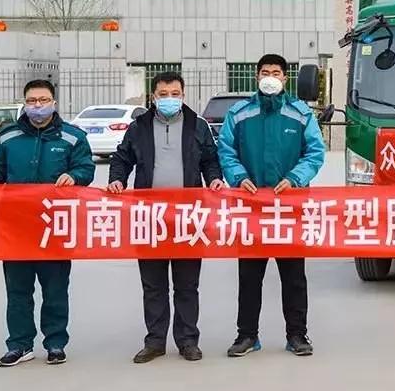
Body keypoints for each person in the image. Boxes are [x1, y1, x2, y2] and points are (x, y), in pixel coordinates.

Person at [0, 79, 95, 367]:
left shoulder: (72, 137)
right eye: (32, 101)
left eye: (43, 100)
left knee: (55, 289)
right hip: (15, 227)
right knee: (18, 290)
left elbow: (86, 168)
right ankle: (20, 345)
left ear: (54, 103)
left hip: (54, 226)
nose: (37, 106)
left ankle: (55, 343)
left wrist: (75, 176)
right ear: (25, 103)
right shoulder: (9, 136)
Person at [108, 71, 225, 364]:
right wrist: (117, 179)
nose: (169, 99)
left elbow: (210, 159)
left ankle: (188, 341)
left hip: (188, 217)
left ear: (183, 95)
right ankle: (155, 341)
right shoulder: (139, 127)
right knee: (153, 284)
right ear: (153, 96)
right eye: (163, 94)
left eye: (175, 94)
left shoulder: (198, 126)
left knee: (187, 284)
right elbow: (122, 158)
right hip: (149, 217)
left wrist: (214, 179)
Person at [218, 54, 325, 358]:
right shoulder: (239, 113)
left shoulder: (300, 114)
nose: (270, 77)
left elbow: (315, 152)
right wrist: (238, 177)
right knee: (249, 276)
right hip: (251, 209)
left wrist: (295, 178)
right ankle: (247, 335)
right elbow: (225, 150)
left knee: (294, 277)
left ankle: (297, 335)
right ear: (257, 76)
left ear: (285, 78)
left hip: (290, 209)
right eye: (265, 72)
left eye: (276, 73)